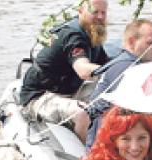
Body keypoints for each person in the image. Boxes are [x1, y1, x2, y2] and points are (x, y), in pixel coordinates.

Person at [18, 0, 110, 142]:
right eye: (95, 12)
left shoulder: (92, 33)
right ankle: (87, 156)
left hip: (69, 91)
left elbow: (105, 62)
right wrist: (109, 69)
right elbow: (83, 70)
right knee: (82, 114)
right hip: (40, 96)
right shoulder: (72, 36)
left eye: (103, 13)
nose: (100, 17)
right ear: (80, 10)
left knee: (112, 97)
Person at [84, 19, 152, 147]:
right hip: (108, 148)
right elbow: (132, 114)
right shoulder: (126, 69)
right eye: (151, 44)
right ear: (132, 42)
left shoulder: (131, 64)